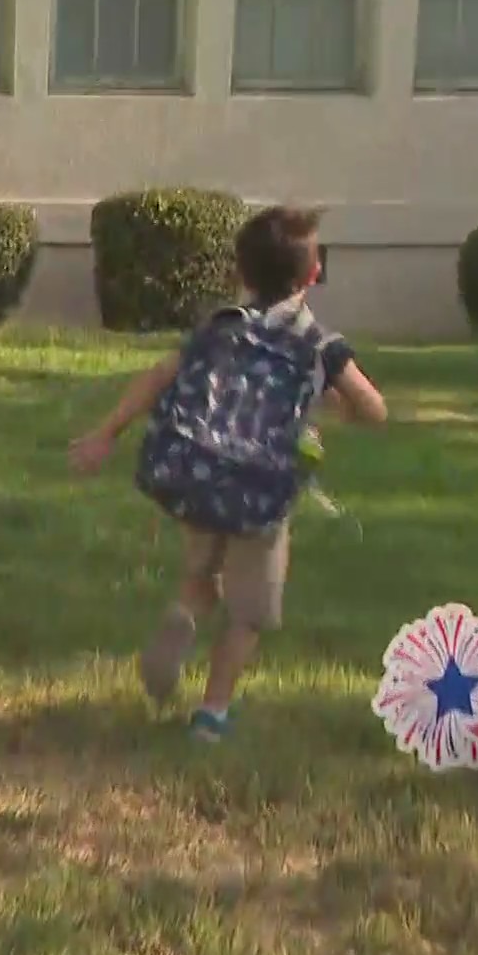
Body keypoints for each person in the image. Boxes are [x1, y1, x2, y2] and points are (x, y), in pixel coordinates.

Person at [69, 206, 386, 742]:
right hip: (262, 495)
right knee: (248, 613)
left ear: (241, 271)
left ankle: (183, 614)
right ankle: (212, 714)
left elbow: (158, 377)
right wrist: (335, 406)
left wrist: (106, 432)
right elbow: (374, 408)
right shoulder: (318, 343)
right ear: (312, 274)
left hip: (199, 474)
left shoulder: (219, 327)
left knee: (202, 577)